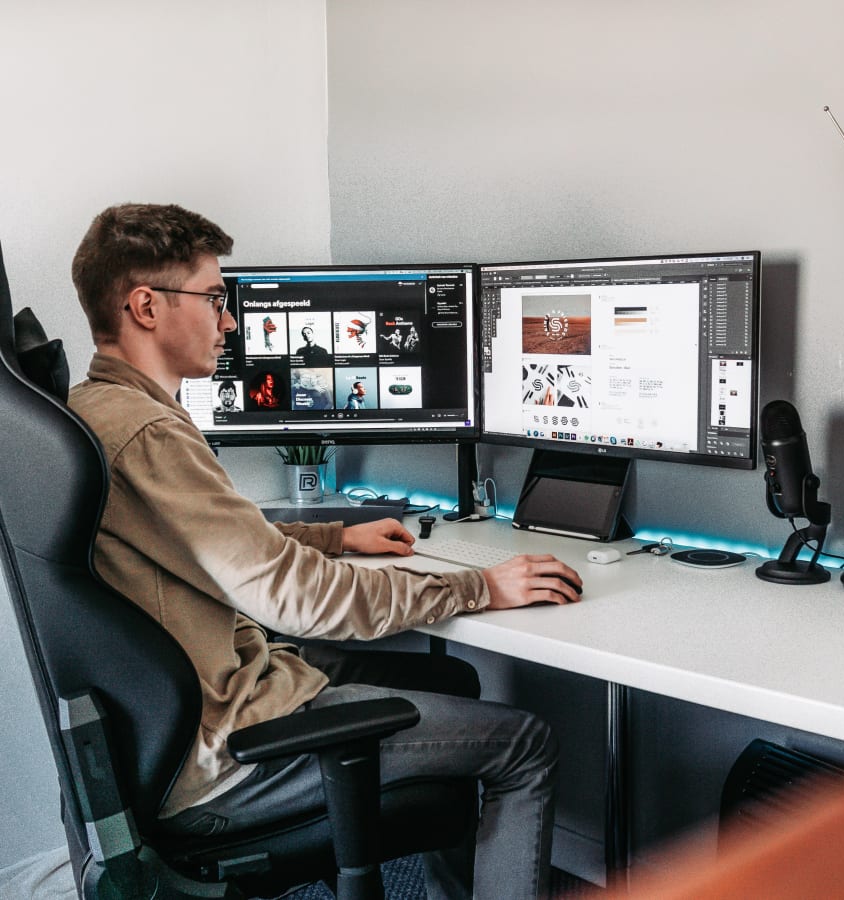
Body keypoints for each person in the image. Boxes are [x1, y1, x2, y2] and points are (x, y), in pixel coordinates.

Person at [68, 203, 582, 900]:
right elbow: (301, 599)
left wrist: (336, 537)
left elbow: (215, 541)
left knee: (453, 680)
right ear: (146, 307)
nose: (228, 321)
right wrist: (478, 587)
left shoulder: (95, 412)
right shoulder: (148, 434)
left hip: (187, 725)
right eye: (215, 298)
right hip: (230, 752)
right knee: (525, 744)